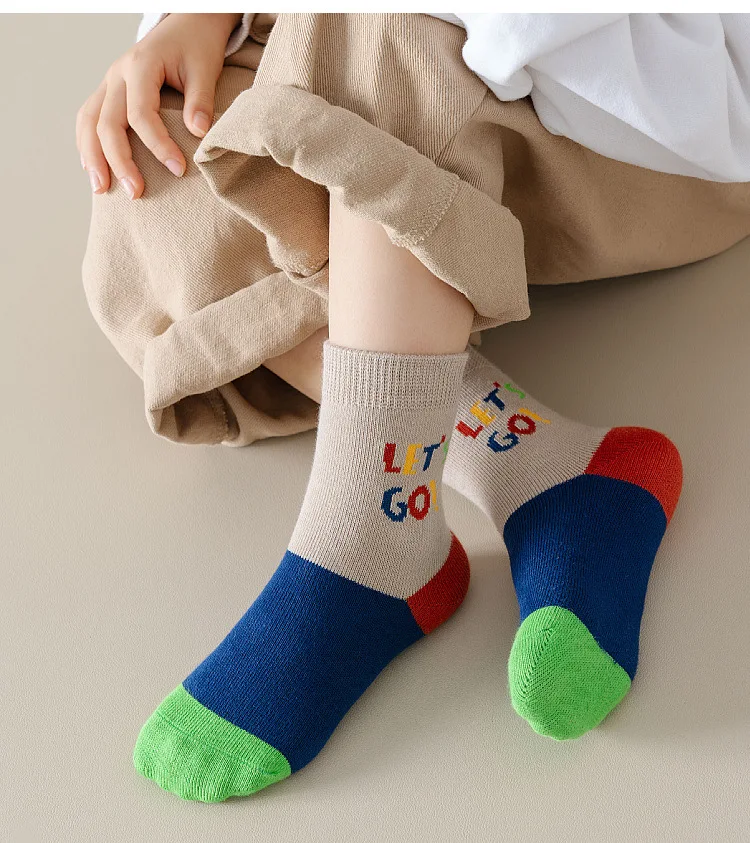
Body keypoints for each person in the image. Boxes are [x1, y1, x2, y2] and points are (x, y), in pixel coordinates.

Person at [77, 13, 750, 802]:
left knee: (382, 36)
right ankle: (528, 459)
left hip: (638, 126)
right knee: (147, 167)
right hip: (387, 99)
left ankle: (367, 536)